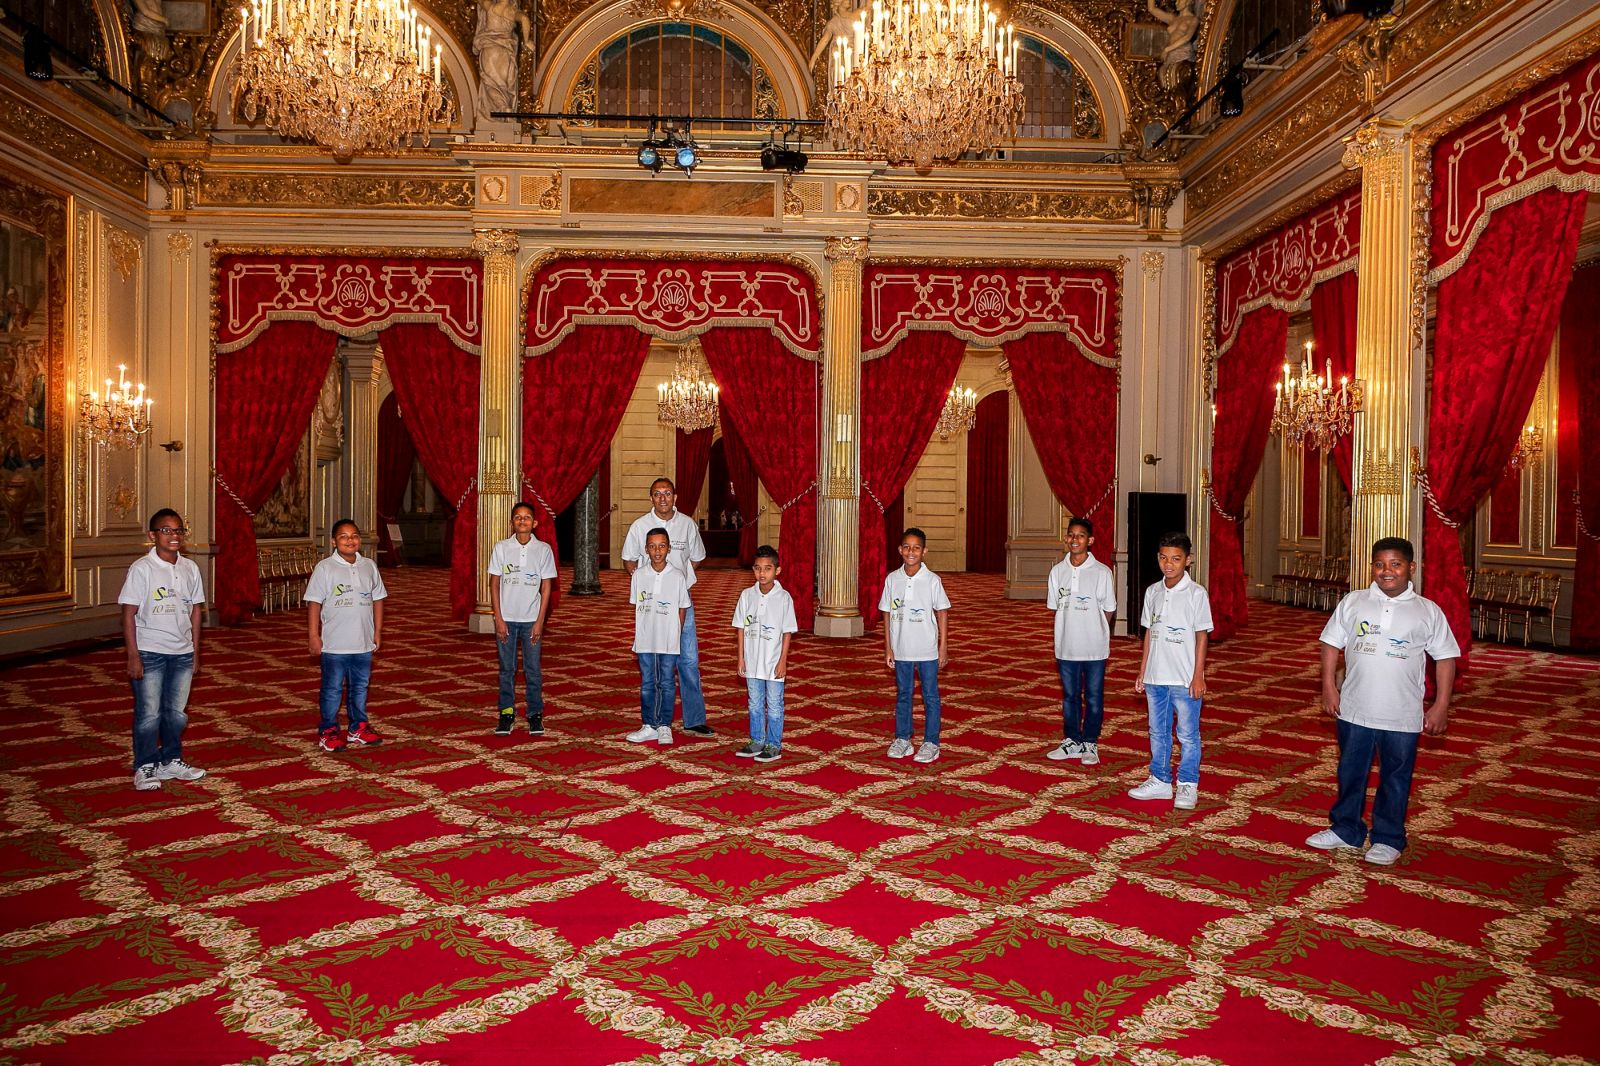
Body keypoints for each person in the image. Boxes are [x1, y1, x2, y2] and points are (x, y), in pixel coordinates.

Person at [1306, 537, 1459, 866]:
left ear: (1411, 568)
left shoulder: (1427, 611)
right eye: (1379, 564)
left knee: (1395, 776)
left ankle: (1388, 837)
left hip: (1401, 714)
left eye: (1395, 564)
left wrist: (1441, 704)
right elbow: (1331, 645)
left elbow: (1445, 658)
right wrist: (1329, 688)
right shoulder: (1354, 601)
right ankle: (1346, 829)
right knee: (1350, 772)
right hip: (1355, 709)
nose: (1386, 571)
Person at [119, 508, 206, 791]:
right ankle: (145, 765)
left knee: (176, 713)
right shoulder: (142, 569)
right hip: (149, 651)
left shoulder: (190, 568)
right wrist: (133, 655)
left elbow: (195, 612)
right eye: (166, 530)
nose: (174, 536)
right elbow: (129, 614)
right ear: (152, 535)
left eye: (179, 530)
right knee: (149, 713)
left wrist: (195, 651)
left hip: (182, 652)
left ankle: (171, 759)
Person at [621, 477, 714, 736]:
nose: (663, 498)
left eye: (668, 493)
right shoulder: (640, 526)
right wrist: (648, 585)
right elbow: (629, 560)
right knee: (652, 665)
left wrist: (676, 584)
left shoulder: (687, 524)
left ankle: (694, 719)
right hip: (651, 609)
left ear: (675, 496)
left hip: (681, 604)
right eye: (657, 494)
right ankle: (655, 723)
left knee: (688, 661)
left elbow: (696, 559)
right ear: (651, 498)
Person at [1128, 531, 1212, 809]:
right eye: (1164, 558)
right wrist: (1143, 671)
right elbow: (1149, 634)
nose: (1169, 564)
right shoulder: (1152, 591)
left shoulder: (1196, 594)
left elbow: (1202, 636)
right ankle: (1161, 780)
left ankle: (1188, 784)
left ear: (1188, 560)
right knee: (1157, 731)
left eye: (1176, 559)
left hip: (1184, 678)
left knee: (1188, 734)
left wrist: (1198, 675)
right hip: (1155, 677)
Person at [305, 519, 387, 752]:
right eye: (343, 536)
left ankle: (358, 728)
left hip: (362, 642)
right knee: (332, 689)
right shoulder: (325, 568)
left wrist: (377, 631)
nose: (350, 540)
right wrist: (314, 635)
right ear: (333, 541)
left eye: (354, 536)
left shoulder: (369, 565)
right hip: (334, 645)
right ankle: (328, 730)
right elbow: (314, 603)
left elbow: (378, 599)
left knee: (360, 687)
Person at [1045, 517, 1118, 764]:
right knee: (1070, 696)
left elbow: (1108, 610)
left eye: (1081, 535)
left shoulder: (1102, 572)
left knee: (1094, 696)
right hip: (1066, 646)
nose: (1075, 540)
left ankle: (1090, 742)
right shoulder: (1057, 572)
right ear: (1066, 538)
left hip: (1095, 648)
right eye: (1071, 535)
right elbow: (1056, 608)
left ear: (1090, 540)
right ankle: (1072, 740)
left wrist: (1095, 631)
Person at [879, 527, 950, 764]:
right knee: (904, 695)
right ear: (900, 550)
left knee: (930, 696)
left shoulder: (932, 580)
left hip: (927, 649)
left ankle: (931, 742)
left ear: (924, 551)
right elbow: (887, 614)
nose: (911, 552)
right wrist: (889, 647)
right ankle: (903, 739)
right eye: (907, 547)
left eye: (916, 548)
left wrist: (942, 647)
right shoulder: (892, 579)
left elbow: (942, 612)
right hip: (901, 650)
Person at [488, 501, 557, 736]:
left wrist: (540, 621)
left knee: (532, 670)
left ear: (534, 523)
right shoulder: (501, 548)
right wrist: (498, 618)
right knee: (506, 669)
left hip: (531, 620)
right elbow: (494, 584)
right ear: (512, 523)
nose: (522, 521)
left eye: (527, 517)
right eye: (518, 517)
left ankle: (534, 714)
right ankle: (506, 713)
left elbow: (547, 588)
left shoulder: (544, 549)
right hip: (506, 619)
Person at [732, 544, 798, 764]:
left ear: (777, 571)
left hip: (773, 662)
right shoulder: (746, 595)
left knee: (775, 703)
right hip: (752, 660)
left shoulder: (784, 598)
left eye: (767, 568)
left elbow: (787, 632)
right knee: (754, 702)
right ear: (753, 570)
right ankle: (757, 739)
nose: (762, 573)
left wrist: (782, 662)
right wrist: (741, 657)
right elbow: (740, 627)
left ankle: (773, 744)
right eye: (758, 568)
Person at [627, 529, 691, 746]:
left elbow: (682, 608)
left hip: (668, 641)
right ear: (646, 549)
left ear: (669, 548)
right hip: (645, 640)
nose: (657, 551)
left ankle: (664, 725)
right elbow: (637, 607)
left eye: (662, 546)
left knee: (666, 681)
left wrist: (676, 633)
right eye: (652, 546)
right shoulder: (638, 575)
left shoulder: (677, 576)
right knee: (647, 682)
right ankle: (648, 725)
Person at [474, 0, 534, 116]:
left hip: (490, 51)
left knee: (490, 83)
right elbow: (525, 19)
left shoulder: (490, 6)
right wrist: (527, 41)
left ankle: (503, 107)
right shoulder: (512, 12)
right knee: (504, 86)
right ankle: (506, 107)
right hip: (505, 53)